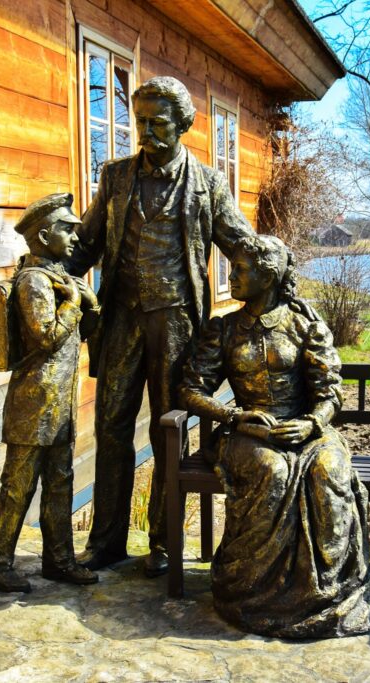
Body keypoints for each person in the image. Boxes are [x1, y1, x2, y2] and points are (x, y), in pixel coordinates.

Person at [68, 76, 255, 577]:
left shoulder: (208, 184)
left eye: (158, 123)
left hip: (176, 323)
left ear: (183, 125)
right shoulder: (115, 177)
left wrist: (279, 289)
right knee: (111, 426)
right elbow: (85, 242)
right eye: (140, 122)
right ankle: (107, 541)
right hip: (121, 318)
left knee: (170, 429)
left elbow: (244, 245)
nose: (146, 132)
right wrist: (45, 271)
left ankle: (164, 541)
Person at [180, 234, 370, 638]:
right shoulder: (225, 329)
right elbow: (191, 390)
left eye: (240, 269)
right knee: (273, 472)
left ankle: (327, 591)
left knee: (328, 470)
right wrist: (234, 416)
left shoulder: (305, 324)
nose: (231, 277)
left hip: (307, 429)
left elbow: (329, 392)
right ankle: (251, 590)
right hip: (247, 433)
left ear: (267, 277)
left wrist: (313, 423)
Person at [0, 193, 100, 593]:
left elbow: (80, 333)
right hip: (33, 404)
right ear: (45, 236)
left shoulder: (61, 278)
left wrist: (90, 305)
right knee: (18, 487)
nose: (75, 238)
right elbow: (46, 337)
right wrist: (73, 303)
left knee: (60, 482)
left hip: (59, 404)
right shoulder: (34, 281)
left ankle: (59, 560)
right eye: (67, 230)